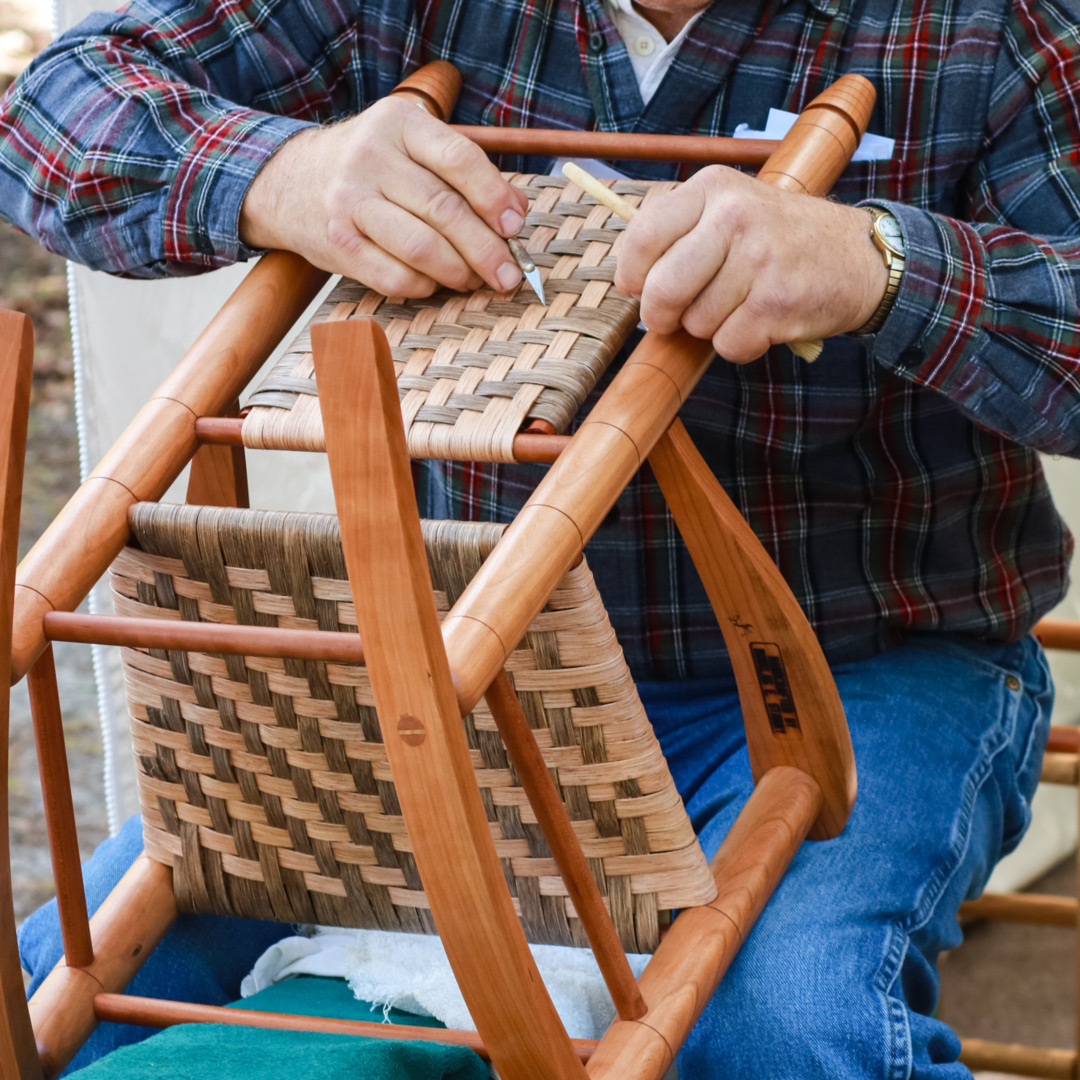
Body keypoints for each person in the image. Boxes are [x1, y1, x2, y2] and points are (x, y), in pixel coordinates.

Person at [2, 0, 1078, 1076]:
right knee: (61, 982)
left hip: (862, 670)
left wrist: (882, 261)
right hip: (467, 665)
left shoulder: (986, 25)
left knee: (783, 1031)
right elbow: (52, 112)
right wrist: (289, 173)